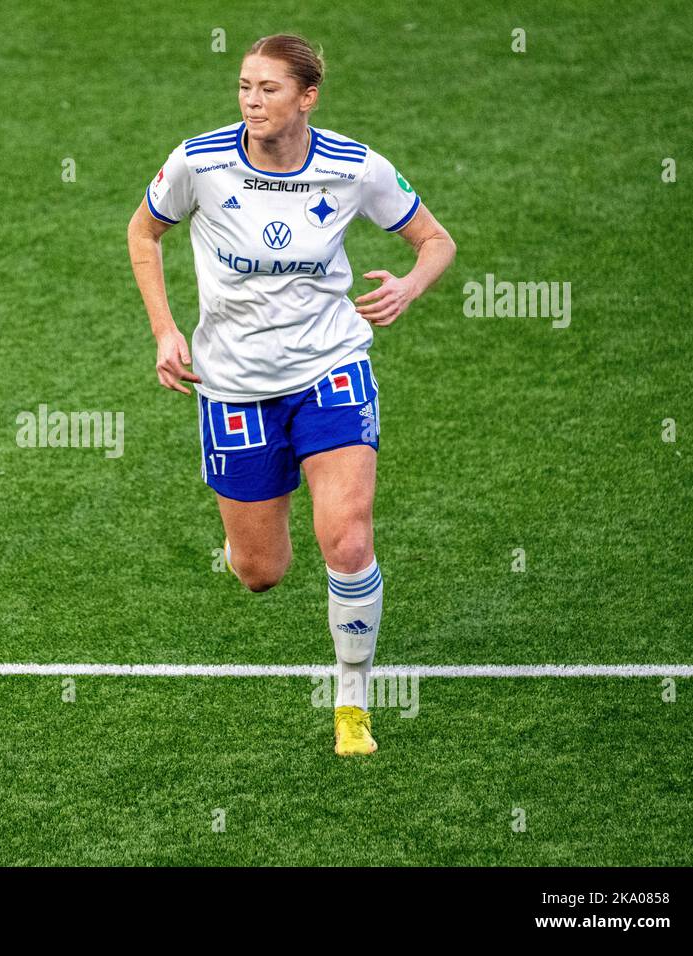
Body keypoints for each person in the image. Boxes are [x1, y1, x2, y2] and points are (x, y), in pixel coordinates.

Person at [126, 33, 456, 755]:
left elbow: (436, 241)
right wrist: (164, 329)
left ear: (307, 96)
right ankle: (246, 539)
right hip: (234, 385)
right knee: (260, 573)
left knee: (347, 537)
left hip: (330, 368)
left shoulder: (352, 166)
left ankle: (352, 703)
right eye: (244, 87)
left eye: (268, 89)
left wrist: (409, 285)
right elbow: (143, 232)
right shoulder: (200, 161)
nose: (251, 101)